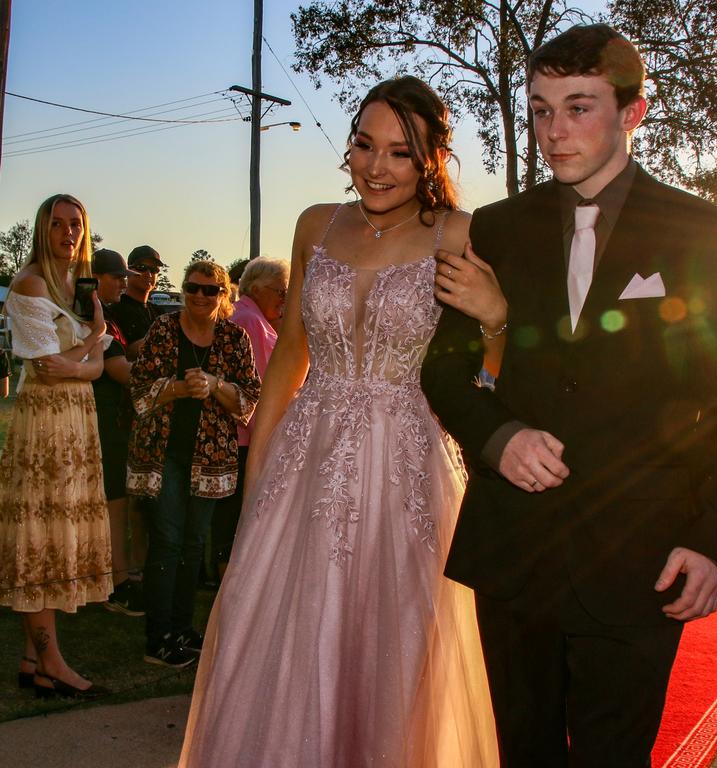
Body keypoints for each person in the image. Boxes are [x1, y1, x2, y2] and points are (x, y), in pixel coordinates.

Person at [422, 24, 717, 766]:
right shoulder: (497, 229)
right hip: (514, 550)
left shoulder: (696, 229)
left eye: (578, 107)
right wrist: (500, 436)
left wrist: (711, 541)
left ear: (633, 112)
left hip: (640, 554)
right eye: (540, 109)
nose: (553, 131)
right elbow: (442, 369)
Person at [178, 77, 498, 768]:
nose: (376, 166)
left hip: (405, 470)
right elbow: (289, 357)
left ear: (431, 161)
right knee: (287, 640)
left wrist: (498, 320)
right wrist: (255, 489)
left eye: (400, 153)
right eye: (363, 145)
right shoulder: (314, 223)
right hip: (305, 464)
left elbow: (497, 361)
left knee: (391, 654)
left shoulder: (460, 234)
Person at [0, 194, 113, 698]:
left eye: (76, 224)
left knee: (56, 536)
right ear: (42, 230)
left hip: (76, 425)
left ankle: (33, 660)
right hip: (44, 431)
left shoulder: (77, 286)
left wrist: (81, 357)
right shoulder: (31, 284)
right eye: (58, 224)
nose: (69, 232)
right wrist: (92, 339)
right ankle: (51, 660)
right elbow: (47, 367)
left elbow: (92, 371)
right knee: (39, 538)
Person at [127, 260, 260, 668]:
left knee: (193, 544)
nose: (200, 297)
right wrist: (178, 388)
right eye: (192, 288)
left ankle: (182, 629)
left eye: (210, 290)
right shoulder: (163, 331)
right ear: (184, 290)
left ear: (225, 295)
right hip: (162, 454)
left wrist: (215, 385)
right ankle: (158, 637)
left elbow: (249, 401)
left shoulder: (235, 339)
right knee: (167, 541)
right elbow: (139, 392)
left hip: (212, 459)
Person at [210, 256, 289, 580]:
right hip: (244, 435)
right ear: (256, 288)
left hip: (238, 431)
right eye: (279, 291)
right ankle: (231, 582)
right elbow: (258, 386)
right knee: (235, 513)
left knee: (229, 514)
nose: (284, 299)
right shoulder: (250, 322)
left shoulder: (250, 317)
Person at [91, 249, 147, 617]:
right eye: (116, 277)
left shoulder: (106, 314)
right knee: (115, 501)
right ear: (94, 277)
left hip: (113, 416)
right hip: (105, 416)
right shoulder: (94, 314)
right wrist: (159, 382)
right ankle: (117, 584)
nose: (124, 283)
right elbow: (117, 369)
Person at [109, 245, 165, 360]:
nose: (149, 274)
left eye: (154, 270)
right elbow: (122, 353)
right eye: (142, 267)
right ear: (128, 271)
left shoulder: (160, 313)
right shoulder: (115, 311)